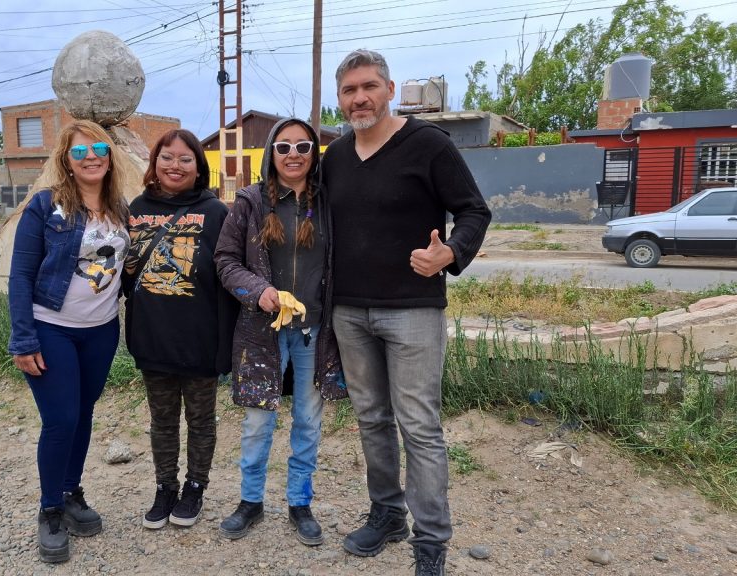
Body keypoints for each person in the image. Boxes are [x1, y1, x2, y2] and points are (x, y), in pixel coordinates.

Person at [321, 49, 491, 575]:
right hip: (349, 311)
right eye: (349, 90)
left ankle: (431, 541)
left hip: (412, 310)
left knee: (419, 426)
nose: (359, 98)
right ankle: (387, 514)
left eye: (369, 86)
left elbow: (474, 210)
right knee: (371, 419)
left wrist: (452, 251)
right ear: (341, 98)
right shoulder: (336, 156)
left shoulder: (428, 145)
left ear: (390, 90)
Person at [213, 118, 346, 546]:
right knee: (257, 421)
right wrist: (259, 291)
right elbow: (225, 260)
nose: (293, 155)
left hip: (313, 332)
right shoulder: (250, 203)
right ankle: (250, 501)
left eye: (303, 147)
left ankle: (299, 503)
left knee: (308, 420)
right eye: (284, 147)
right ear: (271, 152)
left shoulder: (328, 204)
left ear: (314, 154)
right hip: (261, 330)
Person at [7, 119, 132, 564]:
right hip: (50, 327)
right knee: (60, 419)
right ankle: (51, 509)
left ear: (109, 152)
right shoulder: (46, 207)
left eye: (98, 147)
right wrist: (23, 339)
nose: (91, 157)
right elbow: (20, 275)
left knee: (82, 414)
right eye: (79, 152)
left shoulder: (121, 209)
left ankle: (71, 489)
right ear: (66, 160)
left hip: (100, 331)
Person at [122, 129, 237, 531]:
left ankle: (195, 488)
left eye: (186, 159)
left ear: (199, 167)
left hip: (201, 340)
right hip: (153, 337)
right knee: (162, 420)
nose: (175, 165)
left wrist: (228, 346)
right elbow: (122, 276)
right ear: (154, 163)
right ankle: (164, 487)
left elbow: (228, 280)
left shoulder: (216, 212)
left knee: (202, 421)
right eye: (167, 157)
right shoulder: (136, 209)